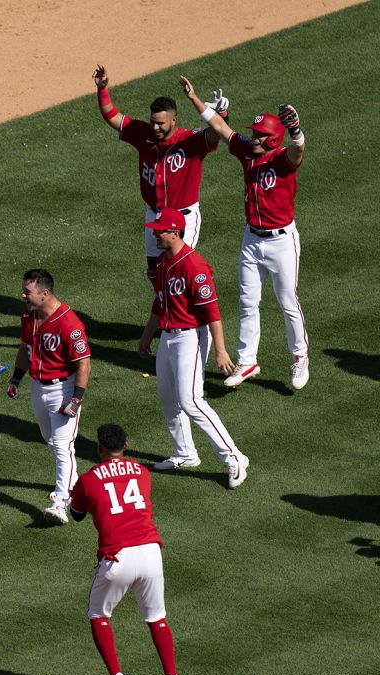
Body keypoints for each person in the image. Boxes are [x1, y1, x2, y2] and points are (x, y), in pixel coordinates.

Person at [180, 76, 310, 391]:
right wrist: (195, 99)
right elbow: (223, 130)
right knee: (247, 300)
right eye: (255, 134)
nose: (255, 139)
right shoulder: (247, 152)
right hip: (252, 239)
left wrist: (295, 130)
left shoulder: (282, 160)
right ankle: (247, 360)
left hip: (281, 241)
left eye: (262, 135)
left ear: (274, 139)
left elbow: (298, 151)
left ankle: (299, 356)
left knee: (286, 300)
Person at [69, 423, 182, 675]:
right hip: (150, 553)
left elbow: (78, 515)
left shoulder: (88, 479)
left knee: (98, 614)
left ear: (98, 449)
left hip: (117, 558)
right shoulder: (142, 472)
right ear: (126, 446)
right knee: (157, 618)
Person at [139, 209, 249, 488]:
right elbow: (159, 302)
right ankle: (185, 452)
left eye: (159, 230)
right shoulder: (164, 262)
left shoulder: (194, 266)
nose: (155, 233)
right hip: (168, 335)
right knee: (167, 396)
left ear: (174, 233)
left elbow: (212, 312)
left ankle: (234, 458)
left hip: (192, 336)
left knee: (191, 400)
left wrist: (221, 351)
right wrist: (147, 334)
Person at [93, 65, 226, 275]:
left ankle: (184, 308)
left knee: (177, 272)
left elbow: (218, 132)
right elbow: (113, 117)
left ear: (174, 120)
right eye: (153, 122)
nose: (156, 128)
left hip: (184, 219)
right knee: (155, 272)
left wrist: (218, 112)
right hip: (154, 215)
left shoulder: (191, 141)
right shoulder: (143, 133)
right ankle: (163, 307)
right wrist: (102, 89)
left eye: (161, 124)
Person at [6, 269, 91, 524]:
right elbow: (25, 348)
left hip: (63, 390)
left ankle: (59, 503)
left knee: (61, 446)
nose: (22, 295)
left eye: (27, 292)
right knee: (50, 440)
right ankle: (74, 483)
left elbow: (84, 364)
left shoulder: (69, 323)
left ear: (44, 294)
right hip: (37, 387)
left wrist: (76, 399)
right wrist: (16, 378)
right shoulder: (28, 315)